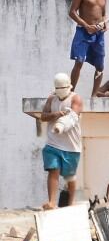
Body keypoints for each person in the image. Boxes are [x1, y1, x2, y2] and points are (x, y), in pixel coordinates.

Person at [39, 73, 83, 209]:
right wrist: (56, 115)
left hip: (71, 146)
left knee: (70, 177)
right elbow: (43, 116)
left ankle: (70, 203)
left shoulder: (76, 98)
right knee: (53, 170)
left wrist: (61, 126)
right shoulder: (51, 99)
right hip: (53, 143)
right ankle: (52, 202)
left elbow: (73, 117)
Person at [68, 0, 108, 96]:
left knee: (100, 66)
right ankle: (70, 93)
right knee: (79, 61)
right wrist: (86, 26)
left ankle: (94, 95)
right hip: (83, 32)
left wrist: (105, 23)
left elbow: (103, 14)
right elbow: (72, 12)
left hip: (98, 34)